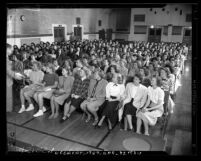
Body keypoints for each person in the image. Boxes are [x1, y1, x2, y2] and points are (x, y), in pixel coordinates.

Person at [7, 43, 24, 112]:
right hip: (7, 80)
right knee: (8, 97)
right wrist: (15, 75)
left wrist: (15, 74)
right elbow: (8, 71)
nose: (11, 52)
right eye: (11, 50)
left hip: (9, 78)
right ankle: (8, 109)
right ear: (7, 49)